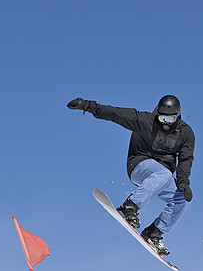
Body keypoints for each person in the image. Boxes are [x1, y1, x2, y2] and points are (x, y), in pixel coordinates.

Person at [67, 95, 195, 256]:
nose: (165, 123)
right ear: (157, 113)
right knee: (165, 174)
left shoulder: (186, 133)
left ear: (178, 115)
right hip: (140, 165)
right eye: (162, 118)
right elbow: (115, 114)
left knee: (183, 198)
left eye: (170, 119)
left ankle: (154, 233)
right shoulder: (144, 120)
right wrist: (87, 105)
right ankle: (129, 207)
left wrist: (183, 182)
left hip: (161, 178)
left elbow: (186, 158)